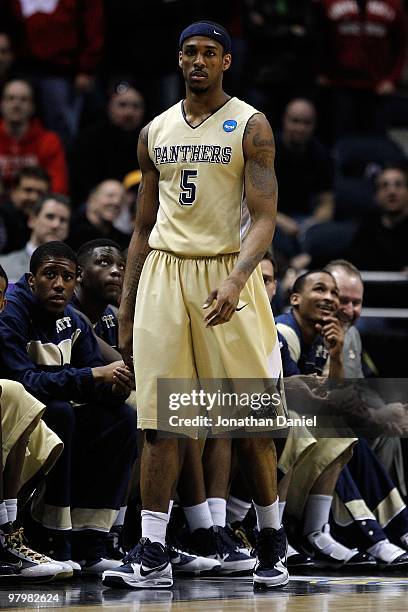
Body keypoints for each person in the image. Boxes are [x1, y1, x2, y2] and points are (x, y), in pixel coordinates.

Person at [102, 20, 289, 590]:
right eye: (190, 53)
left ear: (226, 61)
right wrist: (129, 306)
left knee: (247, 419)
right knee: (161, 419)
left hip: (225, 271)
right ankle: (154, 549)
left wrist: (238, 278)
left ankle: (271, 541)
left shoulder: (250, 125)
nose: (199, 62)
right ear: (178, 60)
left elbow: (264, 218)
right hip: (164, 271)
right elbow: (139, 230)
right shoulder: (154, 130)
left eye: (210, 53)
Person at [0, 241, 137, 574]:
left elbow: (95, 379)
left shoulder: (73, 320)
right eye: (50, 275)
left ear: (76, 280)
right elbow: (22, 379)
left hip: (52, 416)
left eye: (66, 277)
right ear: (31, 281)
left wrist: (115, 387)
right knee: (60, 412)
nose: (59, 285)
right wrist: (93, 375)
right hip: (20, 419)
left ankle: (91, 542)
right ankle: (49, 537)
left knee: (122, 417)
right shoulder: (12, 310)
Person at [70, 82, 145, 207]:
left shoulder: (151, 141)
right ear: (109, 107)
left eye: (136, 106)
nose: (129, 112)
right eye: (122, 105)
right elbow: (82, 182)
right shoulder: (89, 139)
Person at [0, 79, 68, 193]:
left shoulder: (49, 141)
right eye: (10, 98)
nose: (16, 105)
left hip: (36, 204)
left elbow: (58, 187)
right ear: (1, 104)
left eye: (24, 100)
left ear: (32, 106)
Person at [0, 193, 71, 283]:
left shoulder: (76, 270)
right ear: (32, 220)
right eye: (50, 217)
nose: (56, 225)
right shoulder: (3, 265)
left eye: (63, 220)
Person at [348, 165, 408, 271]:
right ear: (376, 196)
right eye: (384, 186)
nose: (392, 192)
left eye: (398, 185)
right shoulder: (367, 227)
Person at [67, 180, 129, 252]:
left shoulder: (123, 240)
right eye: (110, 196)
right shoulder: (70, 231)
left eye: (121, 199)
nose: (117, 202)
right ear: (92, 201)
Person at [0, 166, 50, 254]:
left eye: (41, 193)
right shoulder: (2, 219)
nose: (34, 197)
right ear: (13, 191)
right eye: (28, 190)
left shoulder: (50, 221)